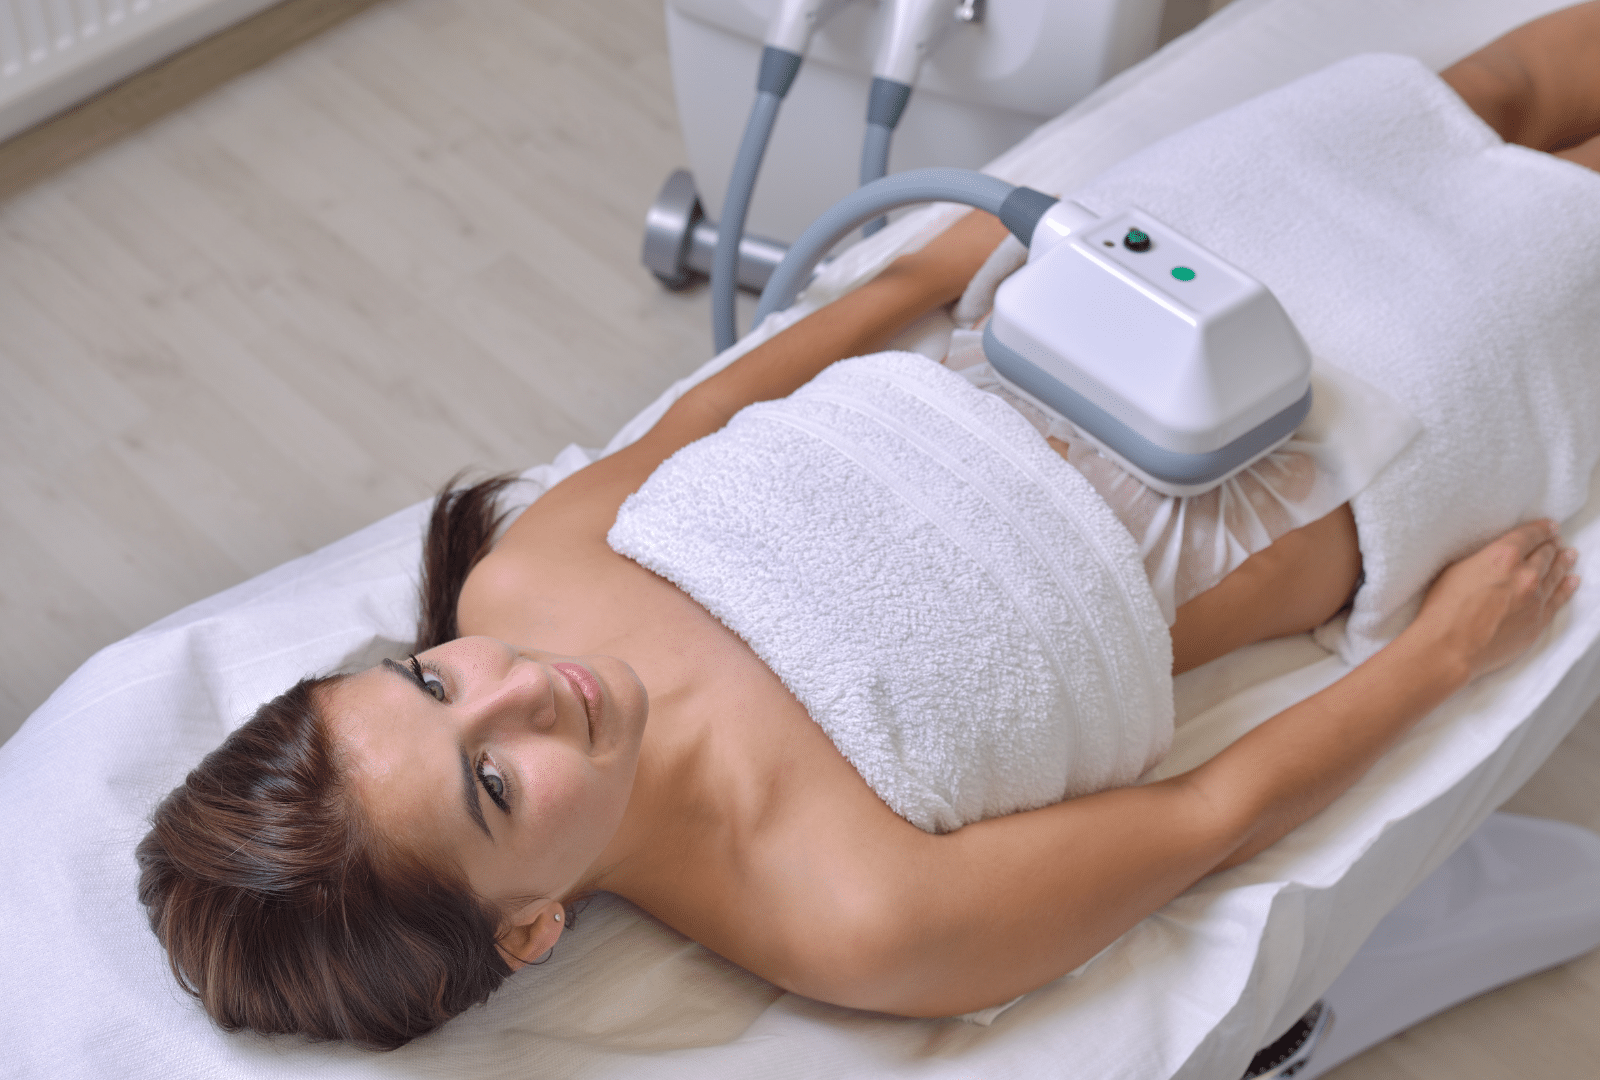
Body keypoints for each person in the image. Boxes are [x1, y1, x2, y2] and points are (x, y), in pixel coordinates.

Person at [136, 2, 1599, 1051]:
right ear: (527, 928)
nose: (518, 689)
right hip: (1287, 475)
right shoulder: (848, 912)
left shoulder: (525, 586)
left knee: (1471, 96)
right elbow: (1200, 822)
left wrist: (931, 268)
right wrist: (1445, 654)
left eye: (428, 681)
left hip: (1078, 300)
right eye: (493, 786)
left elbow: (722, 404)